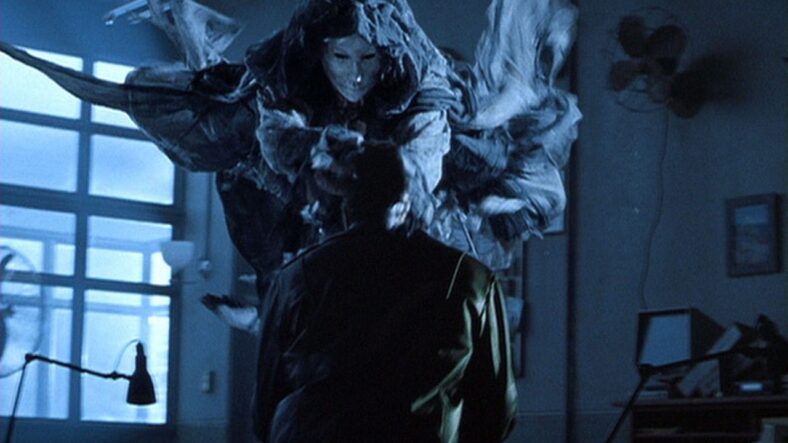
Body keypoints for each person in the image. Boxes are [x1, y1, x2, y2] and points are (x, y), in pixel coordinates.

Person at [0, 0, 580, 323]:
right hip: (313, 171)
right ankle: (276, 305)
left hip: (408, 169)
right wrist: (320, 155)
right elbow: (275, 139)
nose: (356, 75)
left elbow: (424, 159)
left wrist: (385, 173)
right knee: (230, 128)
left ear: (387, 57)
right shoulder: (287, 72)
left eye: (367, 60)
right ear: (320, 54)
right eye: (342, 59)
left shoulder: (421, 79)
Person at [253, 141, 517, 443]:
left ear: (347, 204)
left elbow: (265, 408)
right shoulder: (468, 278)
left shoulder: (295, 278)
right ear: (414, 202)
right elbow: (497, 412)